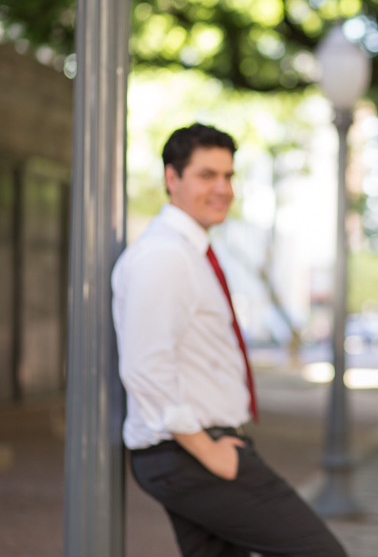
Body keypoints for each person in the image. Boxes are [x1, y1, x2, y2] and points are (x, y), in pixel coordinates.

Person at [113, 123, 346, 557]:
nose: (222, 188)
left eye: (228, 176)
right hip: (190, 454)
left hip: (194, 451)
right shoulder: (165, 255)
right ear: (172, 178)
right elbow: (144, 366)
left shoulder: (191, 252)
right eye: (207, 175)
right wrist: (209, 450)